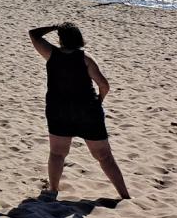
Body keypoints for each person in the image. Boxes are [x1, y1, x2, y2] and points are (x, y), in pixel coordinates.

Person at [28, 23, 129, 199]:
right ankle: (125, 195)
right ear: (79, 38)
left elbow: (34, 34)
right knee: (104, 156)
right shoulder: (85, 58)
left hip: (59, 110)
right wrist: (99, 100)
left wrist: (55, 26)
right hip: (87, 111)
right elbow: (103, 85)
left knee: (57, 153)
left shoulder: (51, 54)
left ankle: (53, 190)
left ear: (61, 39)